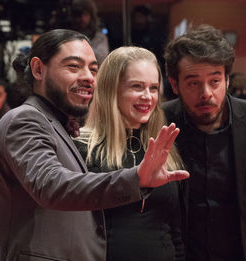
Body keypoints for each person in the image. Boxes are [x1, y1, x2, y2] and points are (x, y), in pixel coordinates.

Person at [0, 29, 189, 261]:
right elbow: (53, 186)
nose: (88, 77)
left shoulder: (58, 126)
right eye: (74, 66)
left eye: (93, 69)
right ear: (38, 69)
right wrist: (137, 178)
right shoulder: (25, 119)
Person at [163, 24, 246, 261]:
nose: (206, 94)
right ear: (174, 84)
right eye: (193, 83)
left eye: (214, 81)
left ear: (227, 80)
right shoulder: (159, 122)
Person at [75, 46, 185, 261]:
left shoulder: (163, 146)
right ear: (110, 89)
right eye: (137, 86)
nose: (147, 97)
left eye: (153, 88)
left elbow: (173, 229)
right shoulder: (82, 147)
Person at [71, 0, 109, 65]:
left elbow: (102, 59)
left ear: (91, 16)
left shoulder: (99, 37)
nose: (81, 18)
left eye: (85, 14)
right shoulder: (69, 35)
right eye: (78, 15)